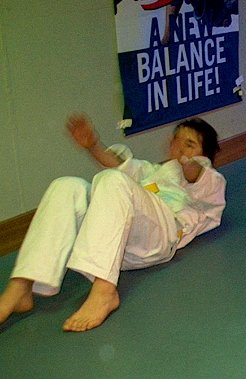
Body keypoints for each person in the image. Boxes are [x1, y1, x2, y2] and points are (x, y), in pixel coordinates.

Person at [0, 114, 226, 332]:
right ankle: (21, 286)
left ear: (204, 154)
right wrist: (93, 146)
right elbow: (119, 165)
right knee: (67, 186)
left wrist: (191, 165)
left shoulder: (208, 184)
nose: (180, 148)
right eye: (177, 140)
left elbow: (198, 174)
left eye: (190, 144)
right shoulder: (152, 171)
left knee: (113, 180)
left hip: (160, 237)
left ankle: (104, 290)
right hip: (116, 247)